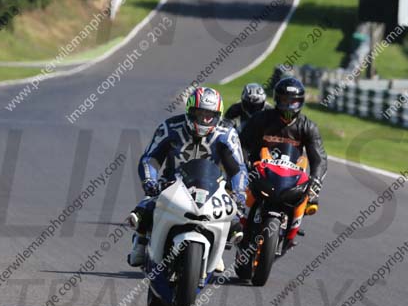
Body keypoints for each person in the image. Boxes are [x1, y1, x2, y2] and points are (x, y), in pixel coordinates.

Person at [127, 87, 248, 271]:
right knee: (144, 208)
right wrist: (150, 182)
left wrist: (239, 193)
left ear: (218, 115)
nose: (204, 120)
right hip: (173, 184)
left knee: (235, 216)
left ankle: (219, 248)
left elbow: (238, 168)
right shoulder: (169, 128)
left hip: (212, 187)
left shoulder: (227, 134)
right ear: (189, 112)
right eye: (200, 114)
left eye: (210, 115)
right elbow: (149, 158)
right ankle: (141, 241)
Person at [239, 77, 327, 245]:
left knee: (311, 199)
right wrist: (245, 164)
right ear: (277, 99)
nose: (288, 106)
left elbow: (319, 158)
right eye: (285, 100)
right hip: (260, 172)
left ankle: (291, 232)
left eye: (292, 101)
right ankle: (239, 225)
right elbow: (241, 143)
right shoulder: (261, 119)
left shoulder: (308, 127)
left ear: (300, 102)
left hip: (290, 175)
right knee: (237, 195)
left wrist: (316, 179)